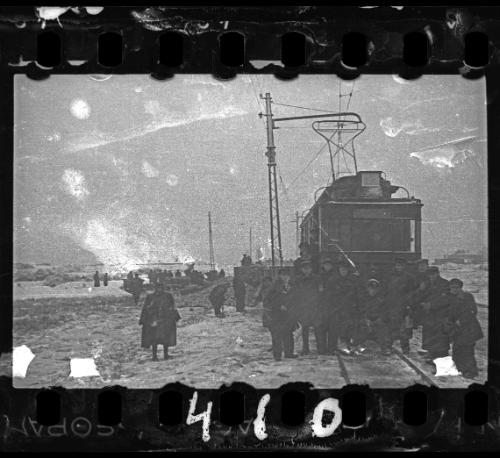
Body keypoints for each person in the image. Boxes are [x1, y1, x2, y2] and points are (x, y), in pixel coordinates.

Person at [446, 278, 483, 379]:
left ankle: (471, 371)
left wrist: (461, 320)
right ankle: (460, 368)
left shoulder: (467, 297)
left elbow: (473, 311)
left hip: (468, 328)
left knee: (467, 350)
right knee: (457, 348)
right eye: (452, 287)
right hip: (456, 329)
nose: (454, 289)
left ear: (460, 288)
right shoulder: (450, 298)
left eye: (456, 287)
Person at [288, 259, 322, 355]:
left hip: (314, 306)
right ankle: (305, 348)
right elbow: (295, 293)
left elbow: (320, 292)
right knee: (305, 329)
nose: (307, 270)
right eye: (304, 268)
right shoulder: (298, 279)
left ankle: (320, 348)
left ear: (311, 269)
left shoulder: (317, 279)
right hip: (303, 307)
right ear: (302, 269)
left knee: (317, 328)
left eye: (308, 268)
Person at [139, 282, 181, 361]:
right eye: (157, 288)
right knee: (154, 339)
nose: (159, 289)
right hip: (154, 321)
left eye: (161, 288)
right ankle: (154, 356)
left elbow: (172, 306)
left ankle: (166, 355)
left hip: (165, 320)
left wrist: (175, 316)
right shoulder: (150, 297)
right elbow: (145, 308)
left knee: (166, 339)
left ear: (163, 288)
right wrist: (143, 319)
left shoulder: (168, 296)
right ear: (155, 288)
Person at [384, 258, 416, 356]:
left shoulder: (409, 278)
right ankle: (387, 348)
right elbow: (385, 291)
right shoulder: (389, 276)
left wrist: (408, 304)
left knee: (404, 330)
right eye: (398, 265)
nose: (399, 267)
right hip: (391, 306)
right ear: (395, 266)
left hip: (403, 307)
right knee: (390, 329)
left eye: (401, 265)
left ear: (404, 266)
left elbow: (412, 292)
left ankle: (405, 350)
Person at [420, 266, 451, 362]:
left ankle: (441, 357)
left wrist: (432, 305)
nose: (431, 276)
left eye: (433, 274)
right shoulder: (427, 284)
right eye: (430, 275)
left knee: (440, 335)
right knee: (429, 333)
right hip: (429, 314)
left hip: (440, 314)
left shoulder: (445, 283)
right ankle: (431, 352)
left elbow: (445, 299)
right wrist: (423, 303)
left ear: (437, 273)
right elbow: (422, 295)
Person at [267, 269, 297, 360]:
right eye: (283, 275)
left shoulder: (291, 286)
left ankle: (289, 353)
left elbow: (295, 298)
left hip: (288, 313)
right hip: (277, 314)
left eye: (287, 276)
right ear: (279, 276)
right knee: (277, 334)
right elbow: (269, 300)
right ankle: (277, 355)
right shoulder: (274, 287)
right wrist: (279, 306)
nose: (285, 277)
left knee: (288, 333)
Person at [332, 259, 359, 355]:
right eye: (342, 269)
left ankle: (349, 344)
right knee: (340, 327)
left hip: (349, 307)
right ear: (339, 270)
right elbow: (330, 295)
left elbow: (356, 294)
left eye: (345, 270)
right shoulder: (334, 280)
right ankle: (341, 345)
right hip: (338, 308)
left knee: (350, 326)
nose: (343, 271)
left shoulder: (352, 280)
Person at [356, 279, 389, 354]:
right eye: (371, 288)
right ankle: (360, 346)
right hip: (366, 321)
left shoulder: (381, 299)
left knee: (383, 328)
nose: (373, 291)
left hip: (377, 320)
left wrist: (380, 319)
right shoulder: (363, 299)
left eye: (375, 289)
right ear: (367, 289)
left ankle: (384, 348)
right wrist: (365, 319)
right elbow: (360, 311)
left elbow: (385, 311)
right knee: (360, 327)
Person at [316, 257, 339, 355]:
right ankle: (321, 349)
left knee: (333, 328)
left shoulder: (335, 277)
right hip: (322, 305)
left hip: (333, 305)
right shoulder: (319, 277)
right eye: (326, 265)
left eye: (329, 265)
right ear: (323, 266)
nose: (327, 266)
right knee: (321, 328)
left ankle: (332, 348)